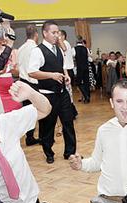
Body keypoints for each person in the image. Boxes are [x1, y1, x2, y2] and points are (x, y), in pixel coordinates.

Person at [28, 20, 76, 164]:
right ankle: (49, 152)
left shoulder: (59, 49)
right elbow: (32, 72)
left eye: (58, 32)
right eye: (54, 33)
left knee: (68, 122)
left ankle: (70, 152)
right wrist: (51, 75)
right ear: (45, 33)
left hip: (62, 92)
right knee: (48, 125)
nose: (57, 35)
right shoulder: (37, 51)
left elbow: (62, 67)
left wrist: (66, 75)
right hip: (47, 94)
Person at [17, 25, 40, 145]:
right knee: (38, 110)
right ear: (36, 34)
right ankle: (39, 136)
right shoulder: (36, 49)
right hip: (33, 82)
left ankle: (29, 137)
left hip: (23, 82)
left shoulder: (20, 49)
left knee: (27, 111)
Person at [0, 35, 21, 112]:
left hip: (10, 89)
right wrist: (1, 72)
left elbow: (17, 73)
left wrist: (13, 69)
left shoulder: (10, 52)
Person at [74, 36, 91, 103]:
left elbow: (72, 57)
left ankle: (85, 96)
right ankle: (87, 97)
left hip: (79, 68)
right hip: (86, 67)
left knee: (78, 82)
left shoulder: (74, 49)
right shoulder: (86, 49)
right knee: (86, 82)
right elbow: (89, 58)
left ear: (76, 42)